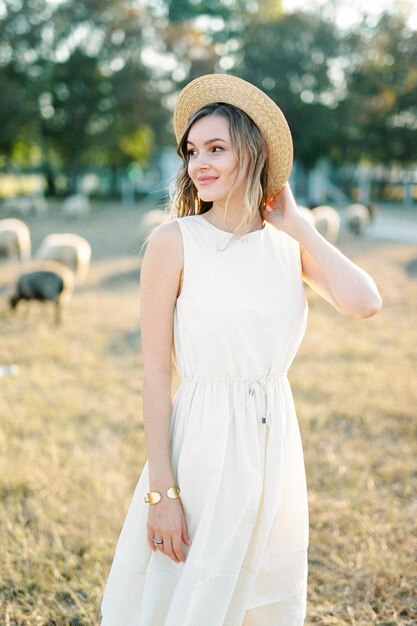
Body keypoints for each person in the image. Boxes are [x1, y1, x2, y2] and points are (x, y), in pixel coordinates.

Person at [100, 74, 382, 626]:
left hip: (274, 440)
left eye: (216, 149)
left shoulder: (288, 248)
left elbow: (365, 301)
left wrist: (300, 225)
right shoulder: (173, 243)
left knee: (260, 596)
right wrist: (163, 494)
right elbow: (157, 372)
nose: (198, 164)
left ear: (252, 155)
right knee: (190, 593)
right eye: (191, 152)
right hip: (202, 444)